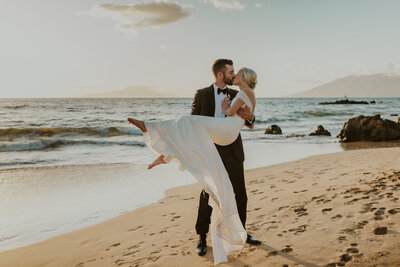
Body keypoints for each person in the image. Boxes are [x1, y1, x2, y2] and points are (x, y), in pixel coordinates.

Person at [128, 63, 259, 264]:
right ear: (220, 74)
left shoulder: (237, 92)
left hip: (231, 148)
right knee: (208, 192)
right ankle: (202, 237)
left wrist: (251, 117)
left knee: (240, 192)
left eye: (236, 72)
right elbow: (191, 122)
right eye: (231, 71)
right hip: (209, 146)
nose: (233, 75)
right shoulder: (202, 93)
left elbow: (249, 118)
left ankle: (241, 233)